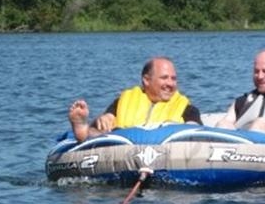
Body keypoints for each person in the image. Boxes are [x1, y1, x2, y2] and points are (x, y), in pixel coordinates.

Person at [67, 56, 201, 142]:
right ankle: (82, 130)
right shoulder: (124, 100)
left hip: (165, 148)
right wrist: (103, 119)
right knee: (100, 127)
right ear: (146, 80)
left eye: (173, 78)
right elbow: (106, 122)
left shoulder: (187, 107)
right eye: (164, 78)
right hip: (122, 145)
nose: (171, 84)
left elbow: (195, 129)